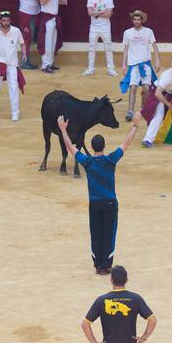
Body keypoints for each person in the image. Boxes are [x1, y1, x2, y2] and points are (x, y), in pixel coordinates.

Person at [58, 112, 141, 275]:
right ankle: (106, 265)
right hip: (110, 202)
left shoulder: (87, 162)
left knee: (96, 232)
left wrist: (63, 130)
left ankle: (97, 264)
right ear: (103, 146)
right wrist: (135, 125)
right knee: (109, 233)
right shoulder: (110, 160)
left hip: (95, 203)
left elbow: (70, 147)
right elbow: (126, 143)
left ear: (93, 146)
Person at [141, 52, 172, 147]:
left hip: (170, 92)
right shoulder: (166, 76)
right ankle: (147, 140)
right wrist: (169, 105)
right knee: (158, 115)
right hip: (158, 92)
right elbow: (157, 93)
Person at [0, 10, 26, 121]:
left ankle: (15, 112)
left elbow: (22, 43)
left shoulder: (16, 31)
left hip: (12, 64)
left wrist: (24, 53)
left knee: (13, 87)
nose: (6, 22)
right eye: (4, 20)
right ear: (0, 20)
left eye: (8, 20)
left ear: (10, 20)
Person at [120, 11, 160, 121]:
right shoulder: (127, 33)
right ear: (132, 20)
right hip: (133, 65)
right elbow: (126, 49)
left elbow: (155, 46)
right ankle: (130, 111)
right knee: (133, 87)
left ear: (141, 20)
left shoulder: (148, 31)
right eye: (135, 19)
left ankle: (144, 109)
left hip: (146, 64)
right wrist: (124, 64)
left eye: (138, 19)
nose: (137, 21)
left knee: (146, 88)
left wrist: (157, 61)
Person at [85, 0, 116, 77]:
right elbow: (89, 13)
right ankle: (90, 69)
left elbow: (109, 14)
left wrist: (96, 14)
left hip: (105, 28)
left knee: (108, 48)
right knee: (91, 48)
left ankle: (111, 69)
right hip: (93, 28)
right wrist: (102, 12)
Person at [37, 0, 65, 73]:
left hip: (54, 17)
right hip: (46, 18)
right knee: (46, 42)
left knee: (53, 42)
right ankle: (45, 65)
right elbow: (42, 2)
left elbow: (55, 1)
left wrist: (62, 2)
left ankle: (51, 63)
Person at [19, 0, 40, 70]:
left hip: (28, 12)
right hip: (28, 14)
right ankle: (24, 62)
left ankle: (25, 61)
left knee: (27, 38)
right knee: (27, 39)